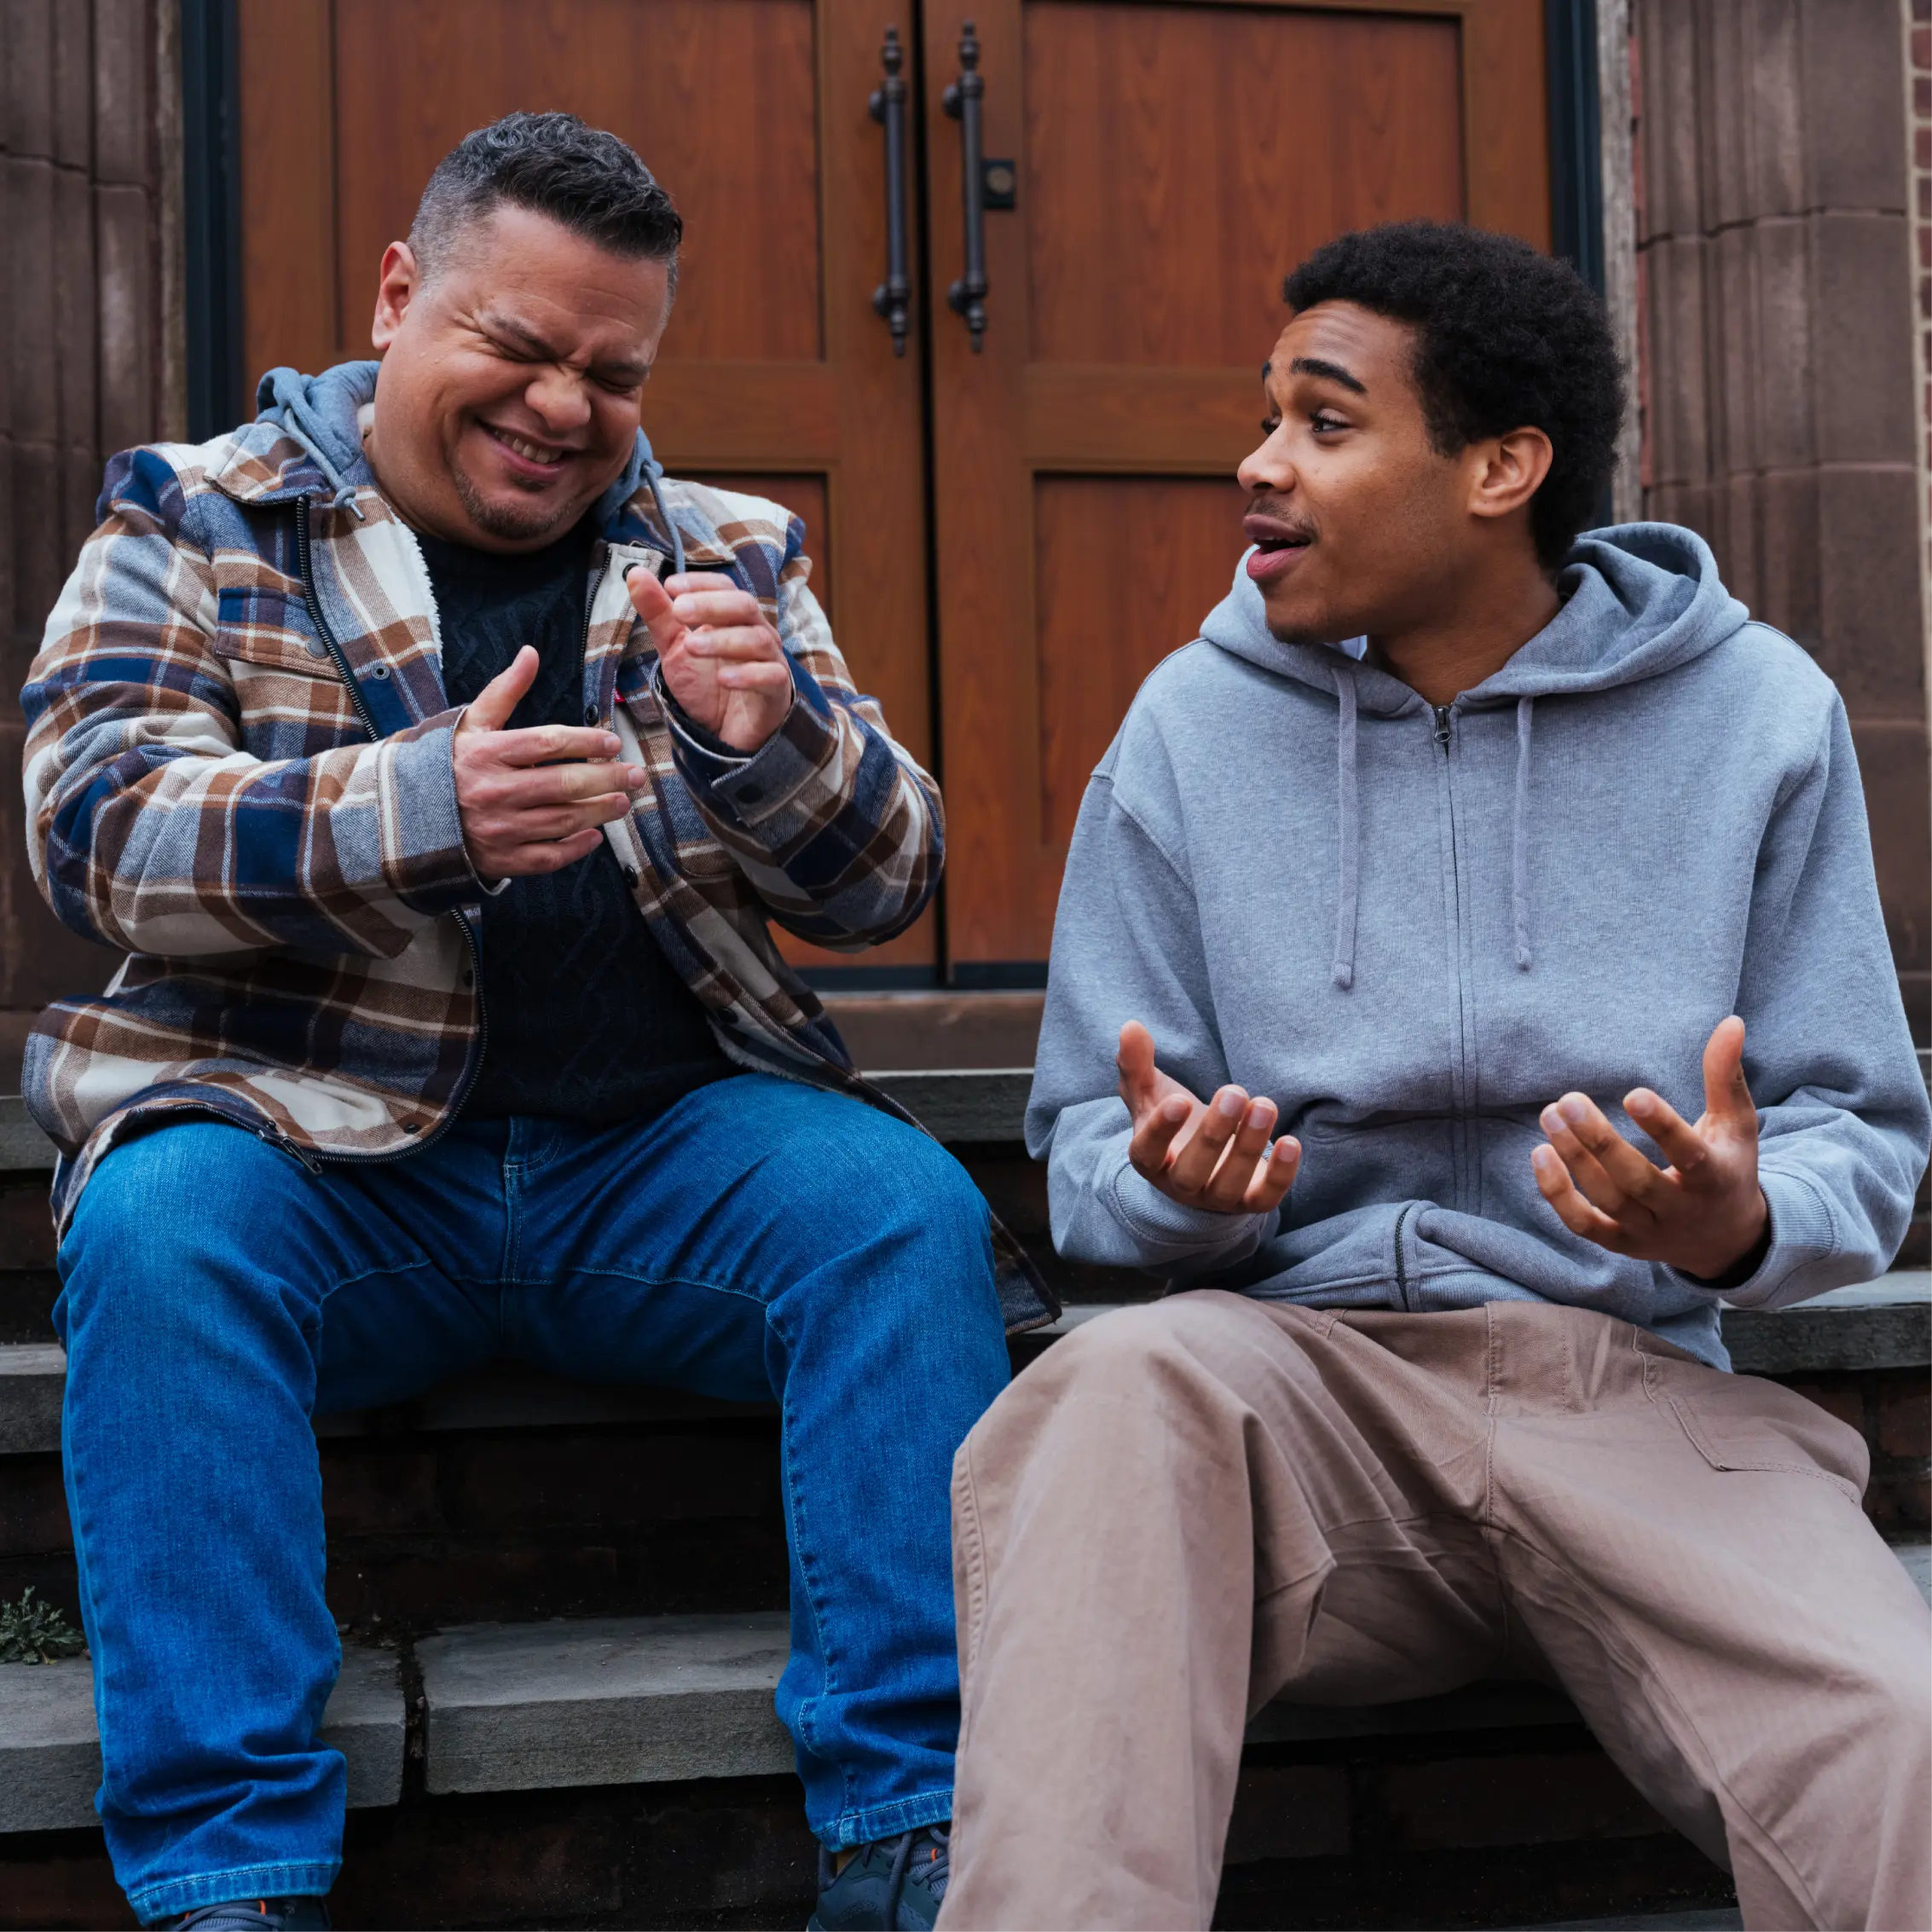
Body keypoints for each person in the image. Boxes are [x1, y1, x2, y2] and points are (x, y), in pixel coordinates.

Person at [22, 113, 1049, 1932]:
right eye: (518, 346)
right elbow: (92, 823)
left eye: (611, 371)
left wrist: (765, 740)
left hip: (661, 1155)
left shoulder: (722, 545)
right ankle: (233, 1880)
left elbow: (892, 876)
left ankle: (917, 1837)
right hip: (308, 1153)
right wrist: (414, 810)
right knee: (158, 1231)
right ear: (401, 296)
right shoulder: (193, 508)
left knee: (898, 1214)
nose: (563, 405)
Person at [941, 222, 1932, 1930]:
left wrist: (1731, 1218)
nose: (1256, 466)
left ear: (1499, 466)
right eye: (1264, 418)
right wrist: (1172, 1193)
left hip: (1635, 1401)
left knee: (1902, 1739)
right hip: (1292, 1397)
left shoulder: (1754, 713)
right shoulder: (1185, 727)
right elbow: (1088, 1151)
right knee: (1112, 1390)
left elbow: (1859, 1130)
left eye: (1322, 425)